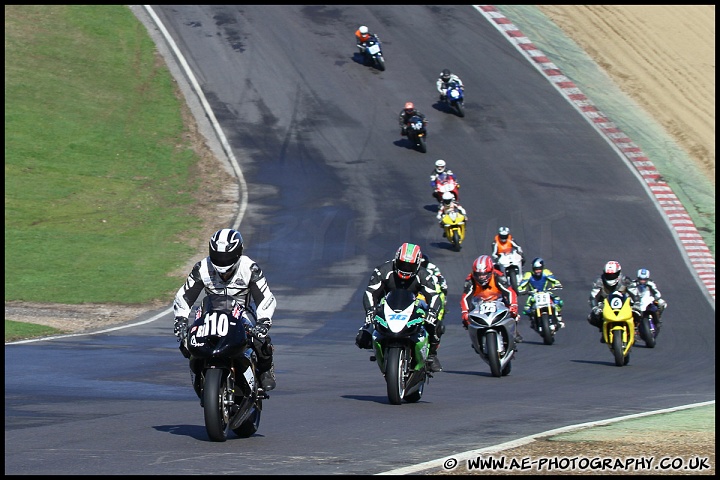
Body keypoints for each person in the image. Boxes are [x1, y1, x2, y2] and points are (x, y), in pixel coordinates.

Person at [173, 228, 278, 394]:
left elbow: (266, 298)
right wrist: (181, 320)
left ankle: (265, 369)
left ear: (238, 253)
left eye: (227, 257)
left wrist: (263, 321)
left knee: (260, 340)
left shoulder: (250, 268)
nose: (222, 262)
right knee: (185, 342)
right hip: (209, 313)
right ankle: (200, 373)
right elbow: (184, 297)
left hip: (241, 314)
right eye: (218, 257)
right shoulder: (202, 268)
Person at [355, 243, 444, 372]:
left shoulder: (424, 275)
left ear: (418, 264)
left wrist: (432, 312)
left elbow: (434, 296)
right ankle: (381, 349)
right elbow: (370, 292)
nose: (406, 269)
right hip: (387, 305)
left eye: (410, 266)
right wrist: (370, 311)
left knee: (436, 325)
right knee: (362, 338)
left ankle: (431, 355)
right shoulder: (383, 270)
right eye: (403, 264)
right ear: (396, 260)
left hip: (415, 305)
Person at [460, 254, 522, 343]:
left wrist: (513, 306)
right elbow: (465, 298)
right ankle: (477, 339)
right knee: (466, 321)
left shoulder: (498, 276)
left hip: (498, 300)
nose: (481, 277)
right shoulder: (470, 280)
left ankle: (514, 331)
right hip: (478, 303)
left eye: (484, 274)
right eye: (478, 274)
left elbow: (510, 292)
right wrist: (465, 313)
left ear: (490, 272)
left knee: (513, 313)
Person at [587, 260, 640, 342]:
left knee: (638, 312)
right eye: (608, 275)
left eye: (613, 275)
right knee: (591, 317)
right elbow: (593, 296)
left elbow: (635, 293)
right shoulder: (599, 281)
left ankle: (635, 330)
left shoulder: (625, 280)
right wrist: (595, 308)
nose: (610, 277)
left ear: (618, 273)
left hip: (625, 302)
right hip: (605, 304)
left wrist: (637, 303)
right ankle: (604, 329)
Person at [517, 257, 565, 328]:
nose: (538, 271)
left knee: (558, 301)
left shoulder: (546, 272)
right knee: (526, 309)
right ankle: (533, 320)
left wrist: (556, 285)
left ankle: (559, 318)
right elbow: (522, 285)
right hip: (533, 295)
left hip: (546, 293)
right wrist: (521, 290)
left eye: (539, 269)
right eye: (536, 269)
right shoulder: (528, 275)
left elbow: (554, 280)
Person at [421, 253, 449, 322]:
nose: (422, 266)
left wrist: (443, 286)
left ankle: (439, 313)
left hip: (432, 285)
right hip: (421, 287)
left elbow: (440, 277)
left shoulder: (432, 267)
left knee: (441, 295)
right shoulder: (415, 270)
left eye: (423, 264)